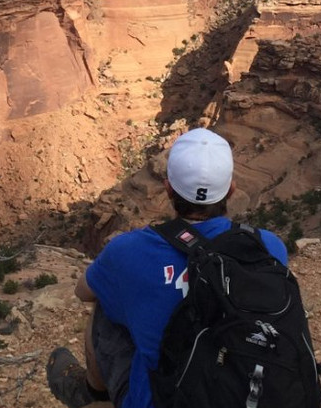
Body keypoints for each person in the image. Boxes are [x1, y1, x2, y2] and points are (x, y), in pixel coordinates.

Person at [47, 127, 289, 408]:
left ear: (168, 187)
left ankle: (93, 395)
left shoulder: (128, 250)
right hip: (244, 394)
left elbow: (83, 291)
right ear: (231, 190)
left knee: (103, 297)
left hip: (162, 400)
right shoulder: (269, 247)